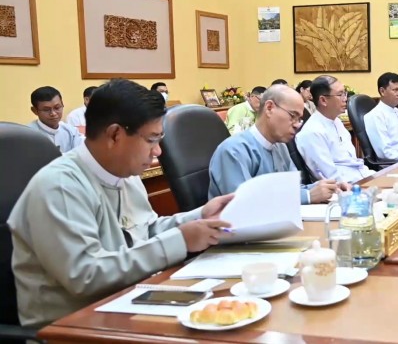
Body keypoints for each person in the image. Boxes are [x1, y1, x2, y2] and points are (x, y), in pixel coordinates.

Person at [8, 79, 233, 328]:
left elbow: (146, 229)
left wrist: (201, 216)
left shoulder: (125, 172)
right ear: (115, 134)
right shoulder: (59, 186)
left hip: (126, 303)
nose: (158, 151)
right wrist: (180, 241)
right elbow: (86, 276)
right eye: (151, 140)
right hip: (72, 327)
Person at [209, 84, 346, 202]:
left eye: (299, 119)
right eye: (293, 116)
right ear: (269, 108)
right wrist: (308, 196)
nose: (297, 125)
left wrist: (327, 187)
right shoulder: (233, 151)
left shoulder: (280, 146)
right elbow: (243, 203)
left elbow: (292, 189)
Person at [295, 75, 375, 183]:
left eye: (345, 93)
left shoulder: (336, 121)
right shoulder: (312, 132)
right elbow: (330, 178)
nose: (345, 99)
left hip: (363, 176)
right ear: (323, 100)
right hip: (349, 186)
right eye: (340, 94)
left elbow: (352, 162)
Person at [28, 86, 84, 153]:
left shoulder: (71, 132)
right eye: (46, 110)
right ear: (34, 111)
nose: (53, 113)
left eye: (57, 108)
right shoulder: (27, 135)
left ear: (62, 105)